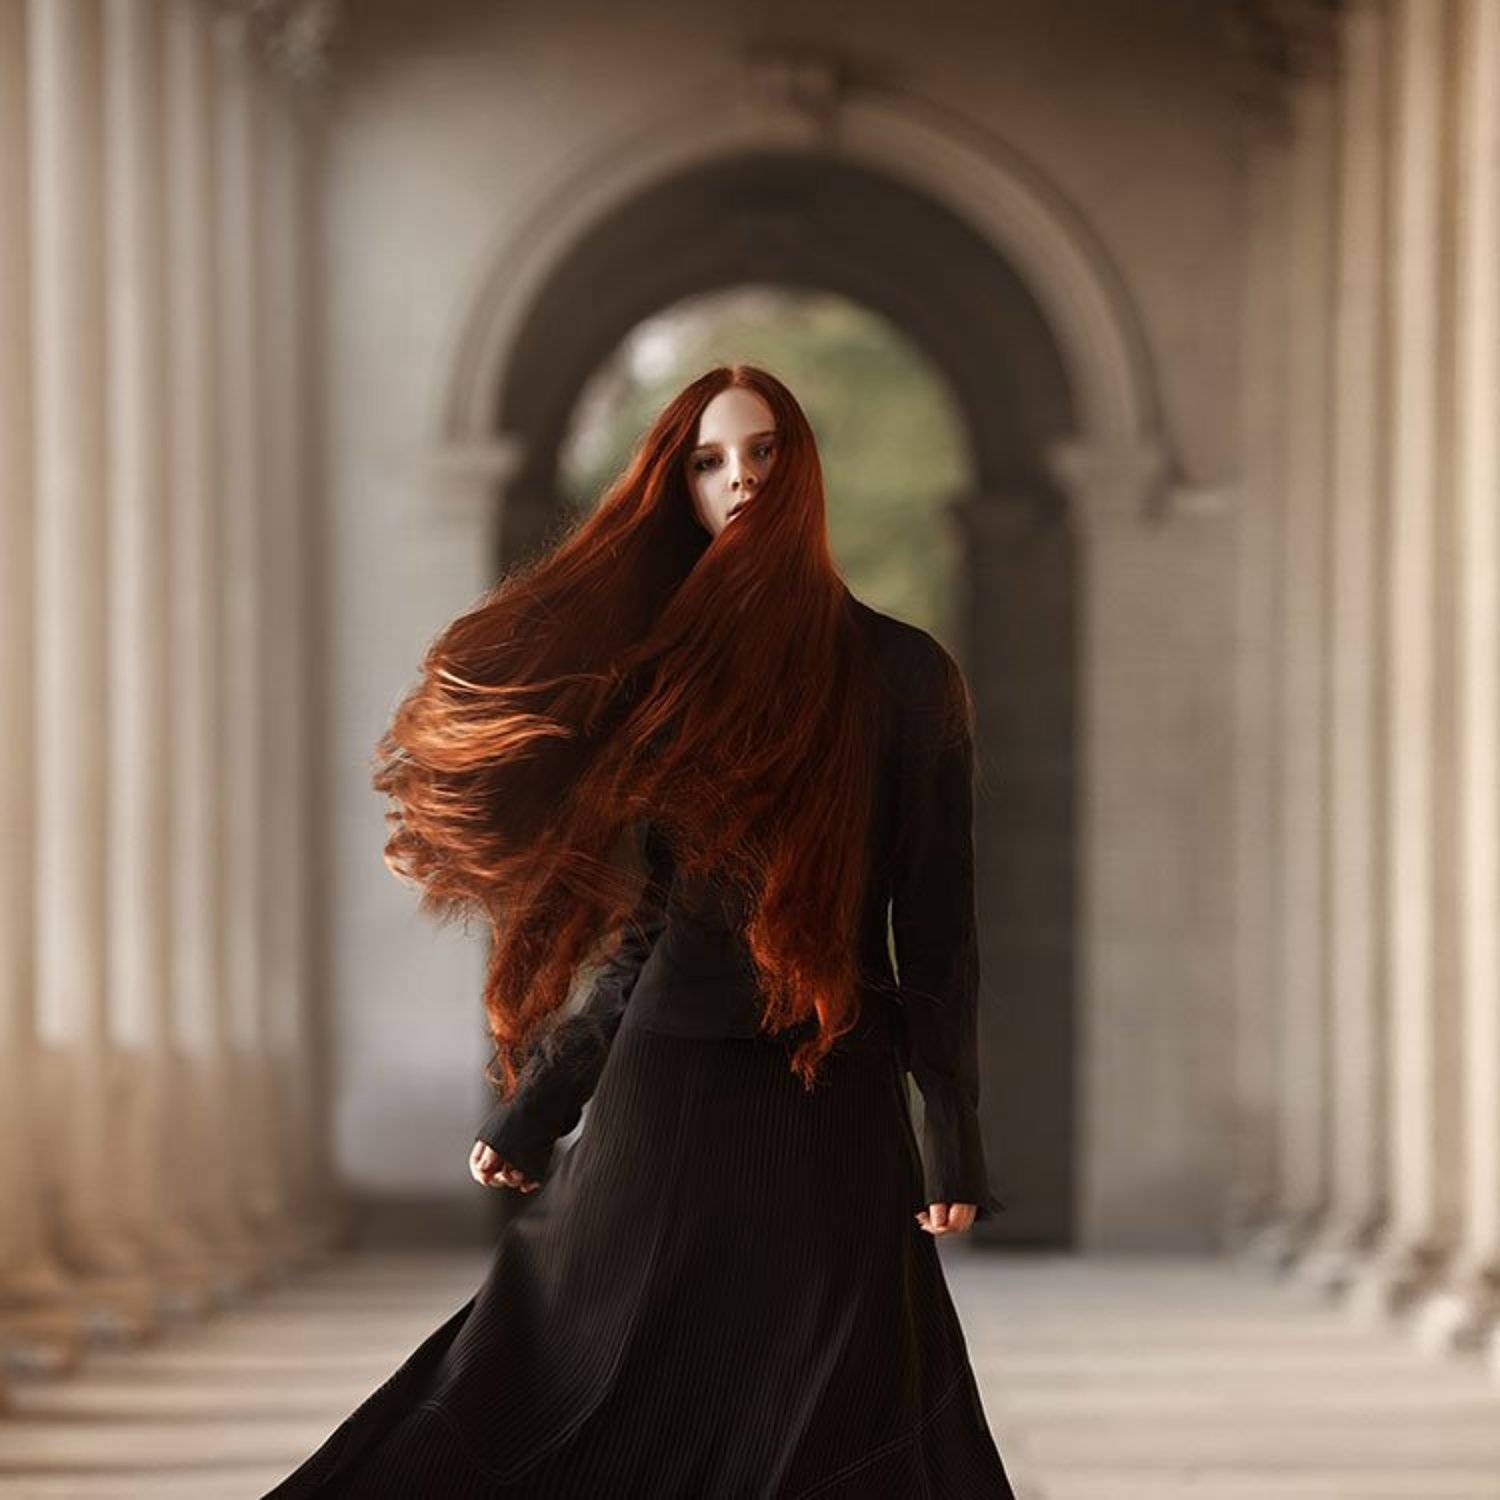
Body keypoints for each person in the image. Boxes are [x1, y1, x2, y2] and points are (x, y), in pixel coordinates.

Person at [263, 365, 1015, 1498]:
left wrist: (951, 1122)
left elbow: (939, 922)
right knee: (548, 1373)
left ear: (802, 471)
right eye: (711, 462)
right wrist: (543, 1101)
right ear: (683, 491)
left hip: (837, 1088)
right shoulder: (671, 682)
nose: (741, 478)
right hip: (668, 1093)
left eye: (763, 452)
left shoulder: (907, 674)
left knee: (858, 1396)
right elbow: (646, 934)